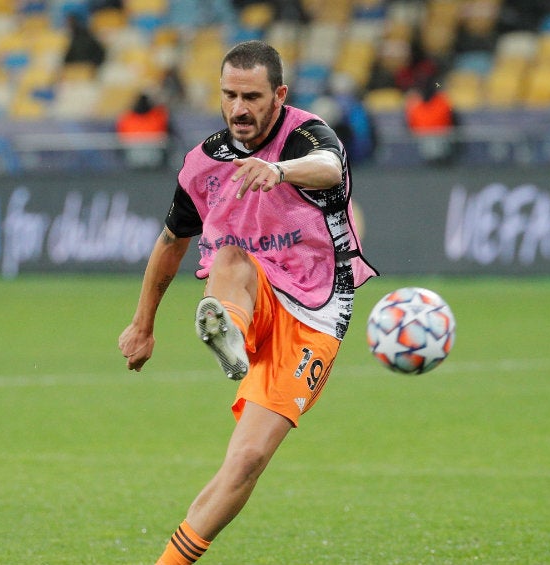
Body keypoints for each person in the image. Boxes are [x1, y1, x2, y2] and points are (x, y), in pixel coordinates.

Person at [118, 40, 378, 564]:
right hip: (250, 289)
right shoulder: (204, 163)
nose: (239, 108)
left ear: (279, 95)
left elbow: (329, 167)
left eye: (253, 97)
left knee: (247, 460)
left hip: (318, 310)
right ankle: (229, 333)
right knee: (230, 257)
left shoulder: (307, 135)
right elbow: (170, 242)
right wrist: (143, 324)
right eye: (229, 95)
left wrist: (279, 170)